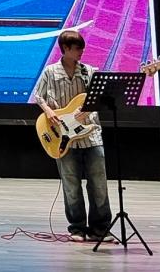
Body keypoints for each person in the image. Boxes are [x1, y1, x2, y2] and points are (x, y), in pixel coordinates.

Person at [33, 30, 113, 242]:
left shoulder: (89, 72)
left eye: (82, 48)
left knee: (99, 183)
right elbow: (38, 95)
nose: (81, 52)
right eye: (77, 48)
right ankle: (77, 228)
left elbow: (103, 96)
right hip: (63, 136)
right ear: (65, 48)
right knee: (71, 184)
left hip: (90, 134)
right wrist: (48, 111)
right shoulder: (50, 72)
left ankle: (100, 229)